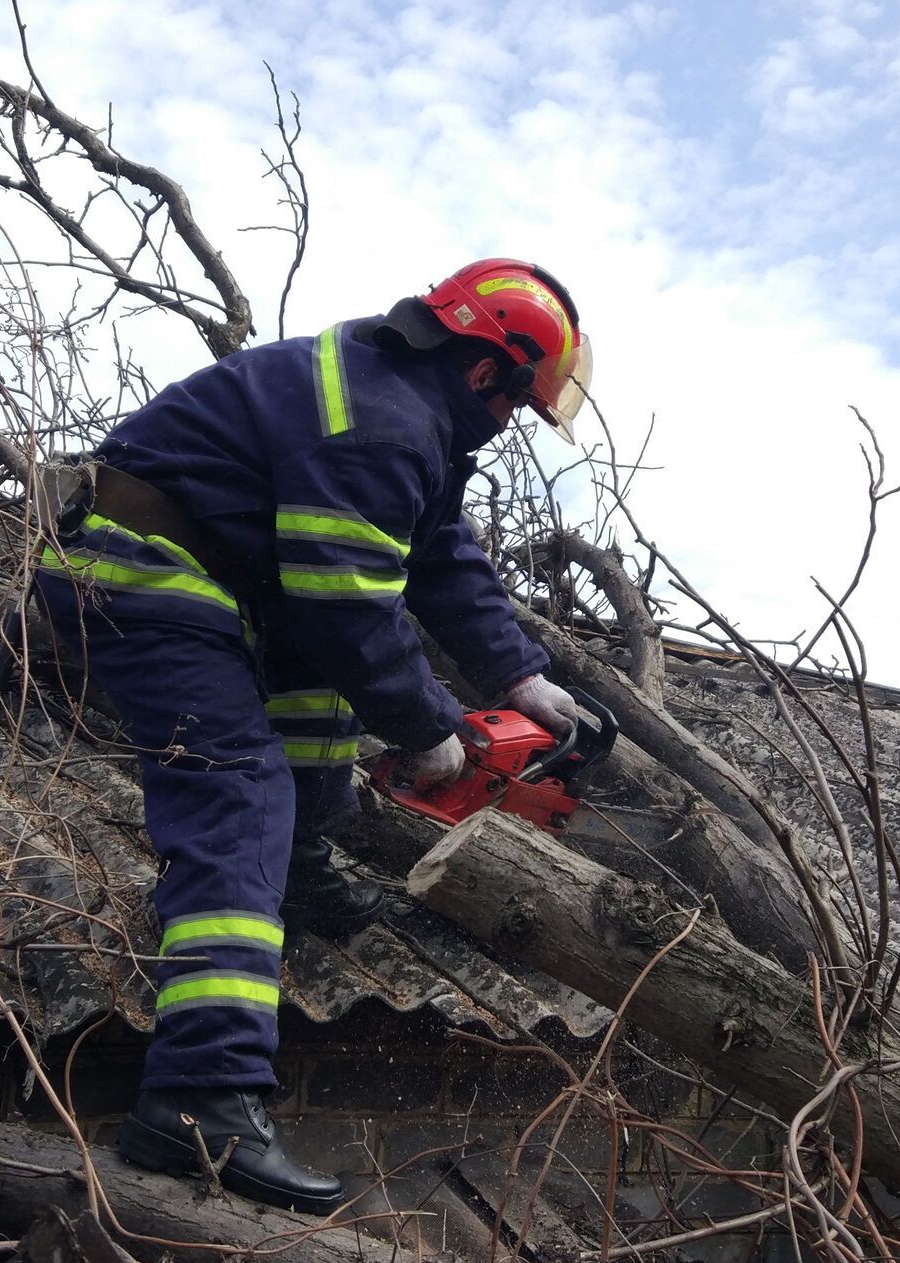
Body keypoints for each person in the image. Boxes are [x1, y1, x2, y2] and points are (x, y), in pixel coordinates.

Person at [32, 259, 592, 1213]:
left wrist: (520, 676)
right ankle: (200, 1099)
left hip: (222, 579)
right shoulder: (384, 421)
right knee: (238, 793)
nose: (506, 430)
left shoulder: (398, 403)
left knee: (313, 711)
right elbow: (347, 609)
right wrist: (431, 730)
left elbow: (439, 555)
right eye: (512, 407)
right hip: (142, 571)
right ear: (484, 372)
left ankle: (294, 868)